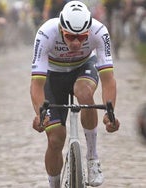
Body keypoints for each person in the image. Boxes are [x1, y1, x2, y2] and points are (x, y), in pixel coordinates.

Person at [30, 1, 120, 187]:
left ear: (89, 31)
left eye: (82, 37)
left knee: (84, 92)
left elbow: (108, 78)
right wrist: (41, 114)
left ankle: (93, 158)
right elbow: (37, 84)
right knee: (55, 139)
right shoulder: (46, 33)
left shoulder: (99, 31)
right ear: (61, 28)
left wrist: (109, 114)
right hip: (53, 76)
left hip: (83, 68)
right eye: (70, 37)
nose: (76, 43)